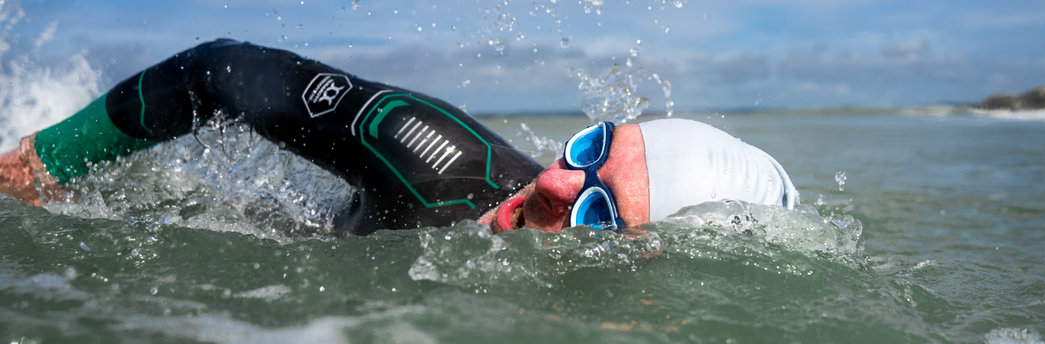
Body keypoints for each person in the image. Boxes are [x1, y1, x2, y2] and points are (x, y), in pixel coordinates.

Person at [0, 39, 798, 236]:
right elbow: (219, 72)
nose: (554, 184)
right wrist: (40, 166)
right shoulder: (436, 163)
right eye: (587, 151)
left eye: (599, 214)